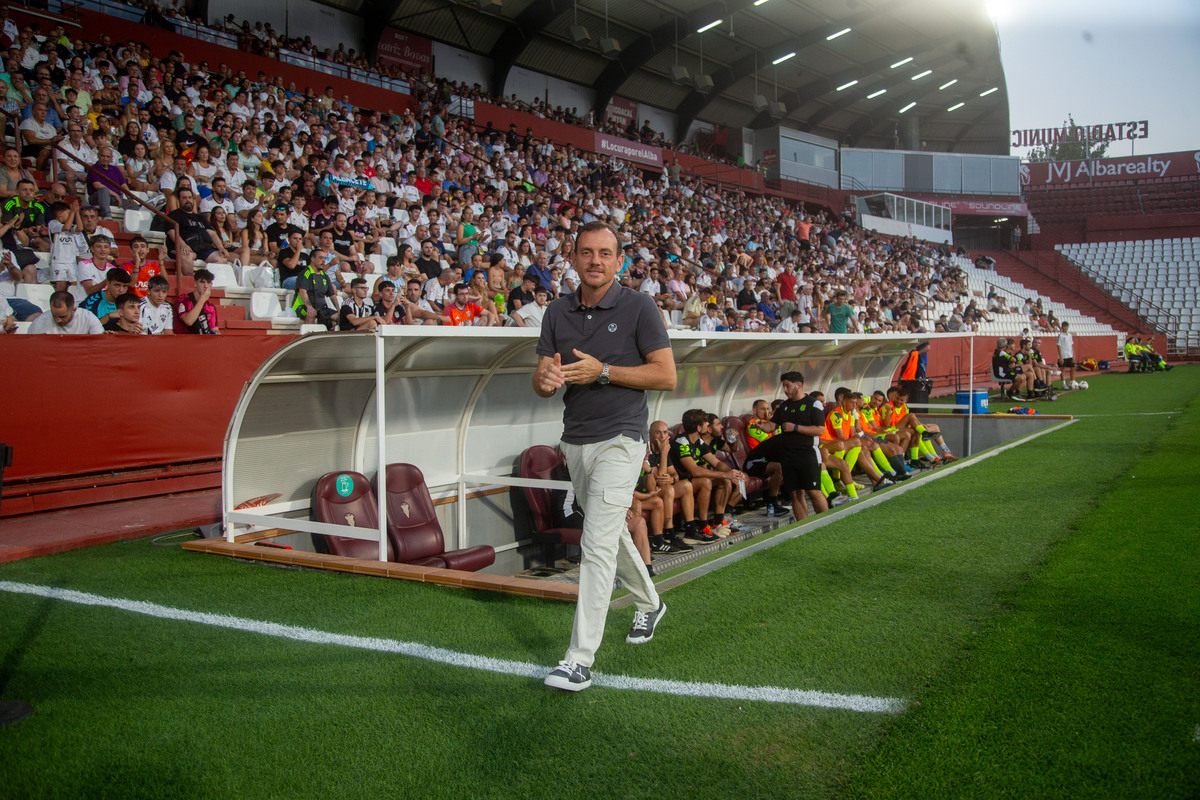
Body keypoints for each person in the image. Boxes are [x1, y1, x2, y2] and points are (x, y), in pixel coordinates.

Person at [533, 220, 676, 692]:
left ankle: (578, 659)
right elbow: (542, 378)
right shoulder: (556, 311)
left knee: (594, 544)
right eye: (586, 252)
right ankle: (651, 602)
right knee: (608, 533)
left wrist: (604, 372)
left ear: (619, 261)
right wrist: (546, 382)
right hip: (575, 440)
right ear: (573, 259)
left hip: (622, 438)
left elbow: (665, 376)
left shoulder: (640, 307)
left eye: (605, 253)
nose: (595, 260)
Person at [770, 371, 829, 520]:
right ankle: (802, 527)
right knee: (796, 493)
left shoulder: (813, 404)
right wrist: (760, 425)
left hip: (807, 454)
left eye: (788, 386)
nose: (785, 390)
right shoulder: (784, 406)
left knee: (813, 491)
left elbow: (820, 430)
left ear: (799, 385)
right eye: (783, 386)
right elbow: (770, 426)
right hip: (788, 456)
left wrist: (795, 427)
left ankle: (826, 522)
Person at [29, 290, 103, 334]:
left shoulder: (88, 317)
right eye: (54, 315)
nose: (58, 320)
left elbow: (100, 342)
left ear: (74, 309)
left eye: (63, 316)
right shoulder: (39, 322)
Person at [174, 267, 219, 334]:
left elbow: (214, 329)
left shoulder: (210, 307)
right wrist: (202, 299)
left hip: (203, 342)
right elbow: (189, 321)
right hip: (184, 341)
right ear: (195, 284)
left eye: (208, 282)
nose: (206, 286)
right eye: (202, 282)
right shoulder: (183, 299)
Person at [1056, 321, 1075, 390]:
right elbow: (1059, 346)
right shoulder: (1060, 335)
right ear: (1062, 327)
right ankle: (1063, 384)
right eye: (1064, 326)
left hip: (1070, 354)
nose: (1065, 328)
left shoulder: (1070, 335)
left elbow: (1071, 345)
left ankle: (1072, 381)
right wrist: (1060, 357)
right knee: (1063, 369)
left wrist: (1073, 355)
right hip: (1063, 355)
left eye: (1066, 326)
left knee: (1073, 368)